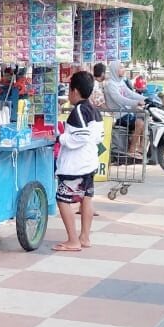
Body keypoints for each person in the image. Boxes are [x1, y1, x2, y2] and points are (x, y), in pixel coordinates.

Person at [55, 70, 100, 252]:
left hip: (76, 166)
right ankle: (84, 237)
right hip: (89, 163)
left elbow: (81, 136)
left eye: (69, 89)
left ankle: (73, 240)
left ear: (75, 91)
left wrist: (61, 138)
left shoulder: (79, 111)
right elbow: (98, 136)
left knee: (62, 198)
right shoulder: (94, 110)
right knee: (86, 198)